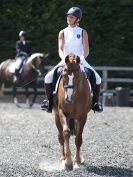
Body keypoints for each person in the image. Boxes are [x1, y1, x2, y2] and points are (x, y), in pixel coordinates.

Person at [41, 7, 103, 113]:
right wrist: (64, 59)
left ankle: (96, 103)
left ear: (77, 19)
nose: (69, 18)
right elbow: (60, 49)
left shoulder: (83, 32)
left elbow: (86, 50)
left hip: (80, 60)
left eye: (72, 17)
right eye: (68, 16)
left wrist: (81, 59)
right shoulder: (62, 32)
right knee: (47, 77)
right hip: (65, 59)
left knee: (98, 79)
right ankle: (49, 102)